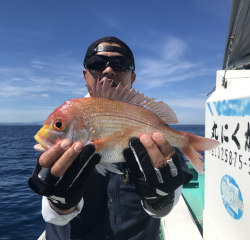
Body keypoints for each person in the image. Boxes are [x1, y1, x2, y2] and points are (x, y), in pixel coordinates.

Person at [28, 36, 193, 240]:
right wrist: (59, 200)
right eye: (96, 64)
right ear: (85, 75)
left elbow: (164, 208)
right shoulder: (71, 118)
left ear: (132, 77)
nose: (107, 70)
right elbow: (52, 216)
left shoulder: (157, 133)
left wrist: (160, 198)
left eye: (120, 64)